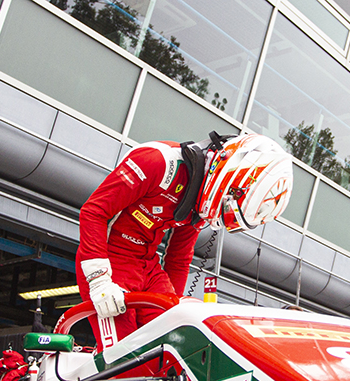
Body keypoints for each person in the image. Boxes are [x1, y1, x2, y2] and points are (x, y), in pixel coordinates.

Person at [77, 131, 292, 347]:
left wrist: (173, 307)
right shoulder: (157, 162)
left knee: (172, 345)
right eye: (229, 209)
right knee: (125, 357)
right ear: (230, 181)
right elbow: (94, 211)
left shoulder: (203, 202)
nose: (223, 217)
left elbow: (179, 259)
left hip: (148, 267)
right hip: (109, 259)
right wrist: (99, 280)